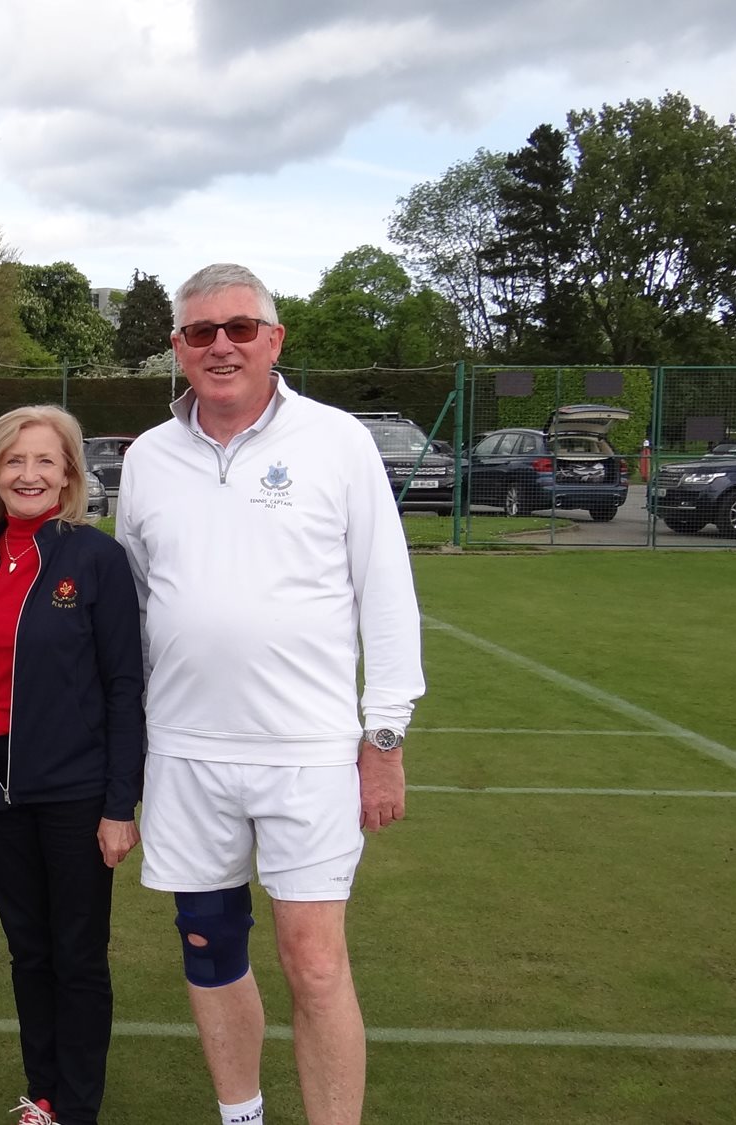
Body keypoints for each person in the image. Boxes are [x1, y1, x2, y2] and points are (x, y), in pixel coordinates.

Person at [115, 264, 424, 1125]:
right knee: (209, 948)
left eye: (240, 328)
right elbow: (133, 609)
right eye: (200, 332)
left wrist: (385, 737)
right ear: (177, 347)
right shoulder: (147, 458)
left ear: (274, 339)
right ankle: (241, 1116)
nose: (221, 346)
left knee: (315, 962)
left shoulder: (338, 441)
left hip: (308, 754)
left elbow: (386, 593)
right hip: (185, 751)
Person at [0, 405, 144, 1125]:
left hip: (75, 791)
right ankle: (44, 1096)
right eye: (14, 460)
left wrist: (120, 804)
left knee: (78, 955)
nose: (28, 474)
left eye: (45, 461)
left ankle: (77, 1107)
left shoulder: (96, 558)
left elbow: (124, 685)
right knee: (28, 952)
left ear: (68, 476)